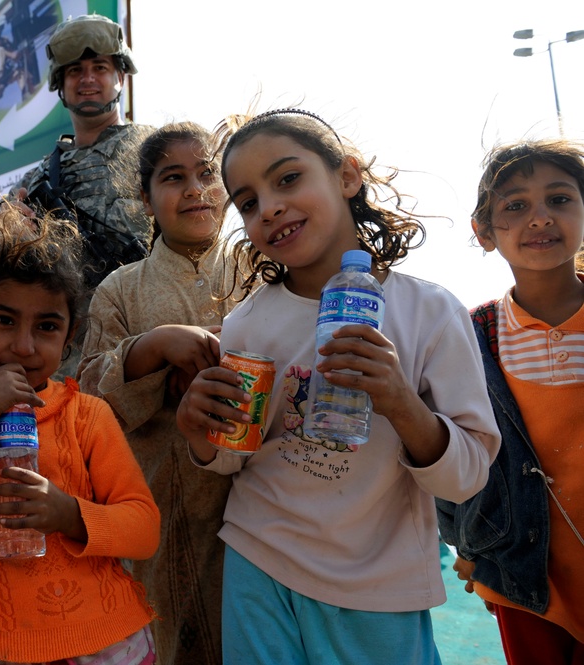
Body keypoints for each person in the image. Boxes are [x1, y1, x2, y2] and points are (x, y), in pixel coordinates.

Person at [174, 108, 501, 665]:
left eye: (288, 178)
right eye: (248, 202)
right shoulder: (248, 324)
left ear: (347, 176)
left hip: (378, 585)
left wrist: (400, 403)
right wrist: (200, 431)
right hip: (260, 561)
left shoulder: (430, 312)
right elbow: (234, 459)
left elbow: (467, 476)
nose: (270, 207)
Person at [0, 211, 160, 664]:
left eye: (46, 327)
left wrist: (69, 514)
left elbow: (144, 529)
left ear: (67, 341)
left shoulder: (87, 415)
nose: (24, 346)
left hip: (106, 640)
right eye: (5, 320)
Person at [78, 122, 241, 665]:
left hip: (256, 510)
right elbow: (88, 396)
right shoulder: (121, 288)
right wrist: (150, 346)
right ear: (145, 199)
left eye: (207, 173)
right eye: (174, 178)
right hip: (157, 505)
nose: (195, 189)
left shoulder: (262, 269)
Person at [437, 139, 584, 665]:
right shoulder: (471, 336)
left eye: (560, 199)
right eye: (516, 206)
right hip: (521, 577)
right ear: (484, 231)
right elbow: (449, 441)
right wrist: (465, 544)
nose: (540, 218)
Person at [10, 14, 152, 377]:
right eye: (74, 71)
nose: (87, 79)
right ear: (61, 85)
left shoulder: (157, 151)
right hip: (68, 364)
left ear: (120, 76)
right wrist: (10, 235)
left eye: (100, 68)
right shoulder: (38, 178)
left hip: (149, 349)